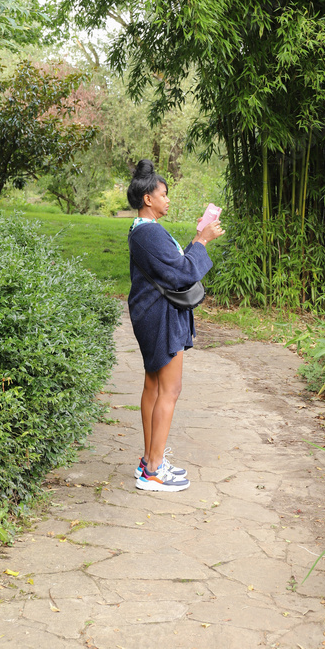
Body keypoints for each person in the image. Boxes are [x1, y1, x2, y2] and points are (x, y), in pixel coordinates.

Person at [126, 159, 224, 492]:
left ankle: (149, 461)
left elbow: (172, 266)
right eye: (163, 194)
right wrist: (203, 241)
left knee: (154, 387)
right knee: (171, 388)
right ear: (148, 199)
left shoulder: (144, 230)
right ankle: (153, 470)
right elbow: (182, 272)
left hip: (151, 312)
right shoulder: (149, 231)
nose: (168, 200)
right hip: (159, 315)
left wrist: (197, 238)